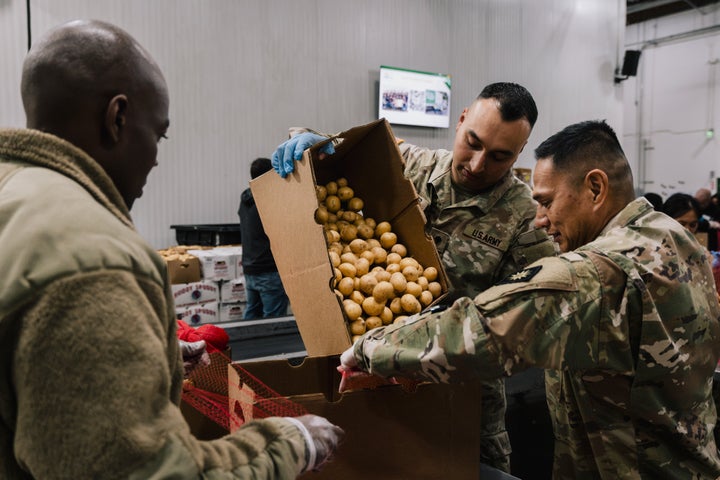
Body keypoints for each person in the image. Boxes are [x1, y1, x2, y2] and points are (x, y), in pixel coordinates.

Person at [0, 19, 342, 479]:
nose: (157, 157)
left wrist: (152, 353)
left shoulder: (14, 197)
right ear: (117, 117)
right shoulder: (95, 256)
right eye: (158, 134)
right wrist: (290, 442)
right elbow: (147, 471)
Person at [340, 120, 720, 479]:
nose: (539, 219)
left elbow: (482, 331)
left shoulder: (601, 273)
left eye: (547, 201)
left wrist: (370, 349)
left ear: (595, 188)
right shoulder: (671, 236)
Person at [272, 83, 558, 473]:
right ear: (460, 122)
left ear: (520, 153)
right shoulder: (411, 163)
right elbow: (340, 149)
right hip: (366, 374)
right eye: (472, 143)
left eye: (499, 156)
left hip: (461, 394)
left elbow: (538, 317)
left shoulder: (527, 219)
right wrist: (311, 142)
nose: (477, 165)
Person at [239, 157, 291, 319]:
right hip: (268, 270)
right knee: (272, 322)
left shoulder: (245, 199)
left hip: (250, 269)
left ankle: (244, 345)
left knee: (251, 318)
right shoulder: (267, 201)